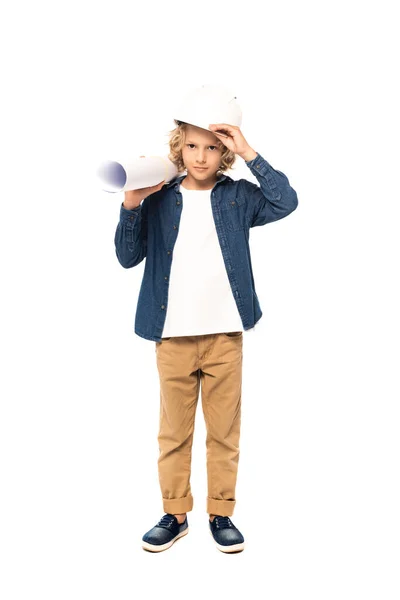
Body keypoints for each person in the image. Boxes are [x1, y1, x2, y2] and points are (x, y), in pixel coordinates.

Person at [114, 89, 298, 553]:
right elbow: (126, 257)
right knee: (173, 432)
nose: (201, 156)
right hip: (171, 336)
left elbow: (286, 202)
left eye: (213, 146)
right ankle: (175, 515)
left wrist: (250, 151)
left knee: (224, 432)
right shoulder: (159, 197)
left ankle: (221, 513)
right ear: (180, 146)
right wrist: (132, 205)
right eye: (193, 145)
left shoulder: (238, 198)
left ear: (225, 152)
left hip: (224, 337)